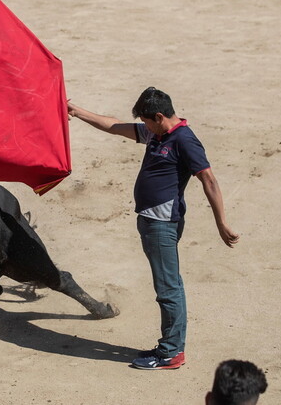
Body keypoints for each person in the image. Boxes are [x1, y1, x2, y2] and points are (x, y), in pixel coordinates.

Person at [68, 87, 239, 370]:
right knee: (168, 284)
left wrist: (221, 222)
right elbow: (113, 126)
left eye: (146, 122)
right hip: (151, 223)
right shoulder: (158, 133)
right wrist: (78, 111)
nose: (143, 128)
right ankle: (170, 347)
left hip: (161, 225)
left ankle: (171, 352)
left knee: (168, 288)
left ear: (159, 116)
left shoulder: (183, 139)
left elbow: (208, 179)